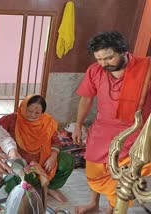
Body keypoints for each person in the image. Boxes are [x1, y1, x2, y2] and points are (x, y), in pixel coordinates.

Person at [72, 31, 151, 214]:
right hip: (101, 130)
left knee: (123, 175)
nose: (103, 63)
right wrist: (78, 124)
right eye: (99, 59)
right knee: (94, 172)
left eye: (108, 58)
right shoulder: (95, 70)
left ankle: (112, 208)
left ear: (123, 51)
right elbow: (86, 98)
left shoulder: (146, 68)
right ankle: (93, 204)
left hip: (134, 132)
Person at [0, 95, 75, 203]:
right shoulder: (11, 120)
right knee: (17, 179)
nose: (32, 115)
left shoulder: (47, 122)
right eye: (29, 110)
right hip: (21, 160)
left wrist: (53, 157)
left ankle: (50, 187)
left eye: (37, 113)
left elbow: (56, 141)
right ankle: (30, 188)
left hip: (44, 160)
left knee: (67, 161)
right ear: (23, 107)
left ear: (42, 112)